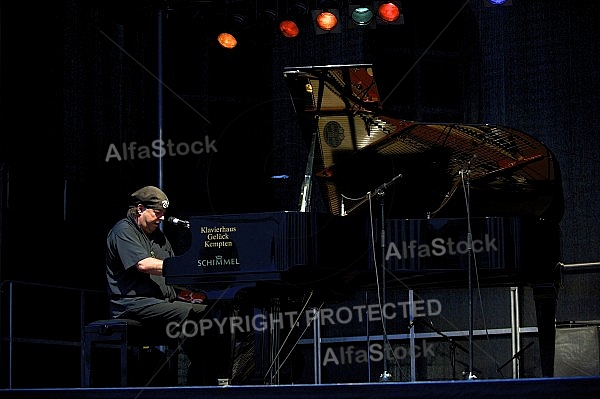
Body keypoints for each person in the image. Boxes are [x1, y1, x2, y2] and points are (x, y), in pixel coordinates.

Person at [105, 185, 228, 386]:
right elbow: (143, 264)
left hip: (159, 301)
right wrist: (189, 268)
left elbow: (173, 271)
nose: (162, 218)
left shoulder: (158, 237)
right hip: (132, 304)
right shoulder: (123, 230)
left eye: (164, 214)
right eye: (157, 213)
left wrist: (200, 286)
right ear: (140, 209)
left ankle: (211, 377)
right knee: (195, 314)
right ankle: (201, 380)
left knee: (213, 310)